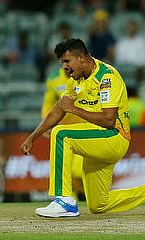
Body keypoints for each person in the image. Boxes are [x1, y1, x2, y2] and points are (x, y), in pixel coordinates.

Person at [19, 38, 145, 218]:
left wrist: (74, 109)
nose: (64, 67)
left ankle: (64, 200)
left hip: (114, 137)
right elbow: (57, 110)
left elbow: (108, 120)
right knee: (98, 204)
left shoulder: (106, 77)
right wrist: (33, 137)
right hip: (96, 141)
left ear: (81, 59)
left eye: (67, 61)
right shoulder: (75, 82)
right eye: (62, 63)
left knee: (61, 134)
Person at [42, 67, 85, 198]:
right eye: (64, 61)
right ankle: (69, 201)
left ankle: (89, 195)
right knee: (65, 171)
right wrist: (46, 123)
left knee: (77, 171)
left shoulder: (85, 75)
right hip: (64, 130)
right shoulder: (53, 79)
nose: (67, 65)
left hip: (84, 128)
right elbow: (48, 103)